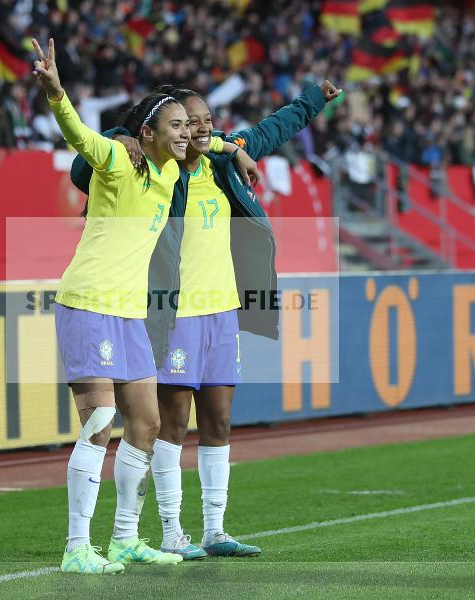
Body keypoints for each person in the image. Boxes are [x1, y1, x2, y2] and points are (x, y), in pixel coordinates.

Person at [72, 78, 342, 560]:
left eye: (205, 121)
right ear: (161, 128)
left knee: (218, 420)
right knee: (170, 424)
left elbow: (271, 130)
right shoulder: (156, 168)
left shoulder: (222, 163)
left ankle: (215, 530)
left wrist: (315, 98)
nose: (199, 128)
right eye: (187, 121)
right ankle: (173, 531)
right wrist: (123, 134)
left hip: (223, 314)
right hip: (175, 315)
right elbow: (81, 165)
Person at [33, 38, 213, 575]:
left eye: (188, 125)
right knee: (101, 420)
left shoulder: (171, 173)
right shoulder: (118, 159)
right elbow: (82, 138)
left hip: (130, 311)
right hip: (88, 303)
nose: (185, 132)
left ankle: (127, 539)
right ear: (147, 134)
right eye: (175, 125)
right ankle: (76, 547)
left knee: (147, 422)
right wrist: (57, 94)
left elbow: (215, 140)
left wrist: (235, 146)